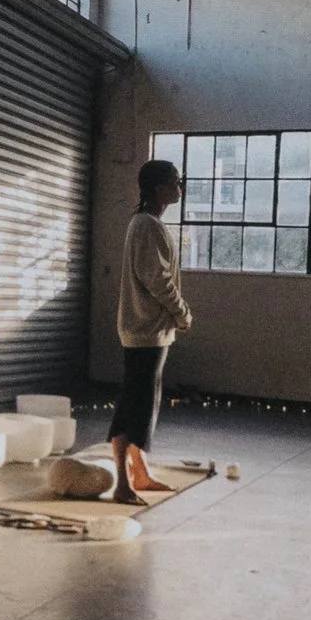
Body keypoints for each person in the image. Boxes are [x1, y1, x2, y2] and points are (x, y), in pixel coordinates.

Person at [111, 156, 192, 502]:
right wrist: (183, 312)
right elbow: (157, 279)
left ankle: (138, 475)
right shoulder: (146, 225)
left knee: (142, 402)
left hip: (148, 330)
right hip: (145, 330)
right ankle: (123, 483)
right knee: (138, 405)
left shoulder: (147, 224)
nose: (180, 187)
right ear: (160, 189)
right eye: (175, 182)